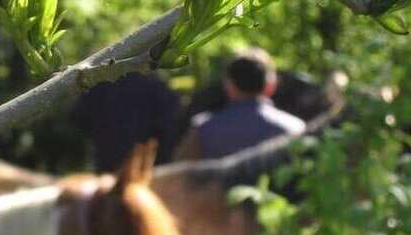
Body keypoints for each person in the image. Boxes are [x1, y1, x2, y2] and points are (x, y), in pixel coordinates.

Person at [176, 48, 306, 161]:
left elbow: (179, 176)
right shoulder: (295, 130)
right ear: (271, 86)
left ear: (229, 85)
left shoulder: (203, 129)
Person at [71, 72, 181, 172]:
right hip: (146, 169)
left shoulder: (100, 84)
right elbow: (169, 127)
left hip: (107, 162)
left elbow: (78, 118)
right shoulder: (157, 86)